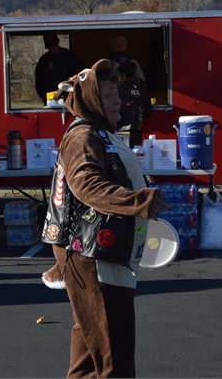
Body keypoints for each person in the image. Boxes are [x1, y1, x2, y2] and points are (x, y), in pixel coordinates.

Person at [40, 59, 170, 377]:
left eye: (117, 93)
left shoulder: (97, 132)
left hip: (99, 251)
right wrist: (139, 201)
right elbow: (87, 185)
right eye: (110, 94)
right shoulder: (83, 136)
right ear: (91, 100)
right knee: (115, 356)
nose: (119, 101)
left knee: (90, 352)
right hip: (92, 253)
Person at [114, 51, 153, 148]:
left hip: (117, 128)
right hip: (137, 130)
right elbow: (148, 111)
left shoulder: (114, 83)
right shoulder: (143, 84)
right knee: (136, 157)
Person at [34, 31, 85, 105]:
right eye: (49, 46)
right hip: (51, 97)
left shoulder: (70, 56)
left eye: (53, 44)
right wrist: (43, 96)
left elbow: (82, 73)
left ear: (58, 41)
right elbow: (39, 80)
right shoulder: (44, 61)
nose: (52, 48)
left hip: (71, 96)